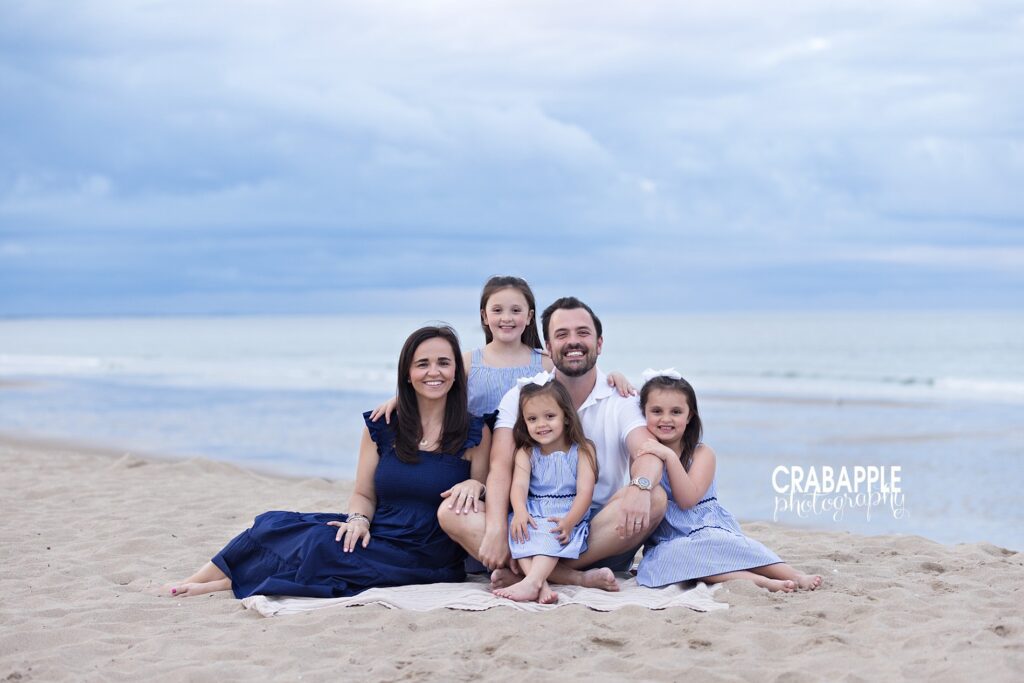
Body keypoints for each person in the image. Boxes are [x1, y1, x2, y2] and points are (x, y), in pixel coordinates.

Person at [159, 325, 490, 599]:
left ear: (456, 372)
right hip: (378, 532)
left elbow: (485, 494)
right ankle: (197, 578)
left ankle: (226, 584)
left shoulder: (474, 432)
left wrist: (477, 484)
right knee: (277, 523)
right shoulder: (383, 426)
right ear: (407, 373)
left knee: (320, 545)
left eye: (444, 363)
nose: (434, 372)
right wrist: (358, 520)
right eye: (423, 364)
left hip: (426, 556)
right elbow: (363, 494)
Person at [439, 296, 668, 591]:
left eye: (583, 333)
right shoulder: (522, 396)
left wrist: (640, 486)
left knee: (656, 497)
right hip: (530, 521)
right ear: (548, 347)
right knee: (451, 512)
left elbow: (647, 452)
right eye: (562, 335)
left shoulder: (620, 398)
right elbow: (500, 466)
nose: (573, 341)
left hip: (595, 529)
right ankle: (568, 576)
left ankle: (531, 572)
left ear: (599, 343)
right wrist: (496, 526)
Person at [634, 370, 822, 592]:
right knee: (677, 558)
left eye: (676, 412)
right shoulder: (645, 455)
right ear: (643, 413)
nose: (666, 419)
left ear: (689, 416)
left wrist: (669, 457)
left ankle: (795, 575)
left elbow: (687, 500)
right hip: (668, 540)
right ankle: (762, 582)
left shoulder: (702, 454)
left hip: (706, 527)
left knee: (733, 547)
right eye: (656, 411)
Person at [495, 374, 601, 603]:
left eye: (550, 416)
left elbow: (585, 492)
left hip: (565, 511)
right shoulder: (526, 452)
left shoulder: (582, 450)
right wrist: (521, 511)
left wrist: (570, 520)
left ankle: (531, 582)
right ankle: (538, 585)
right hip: (534, 509)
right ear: (524, 422)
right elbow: (519, 486)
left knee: (547, 532)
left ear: (565, 416)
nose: (541, 425)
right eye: (532, 419)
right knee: (519, 532)